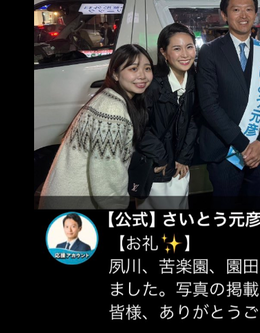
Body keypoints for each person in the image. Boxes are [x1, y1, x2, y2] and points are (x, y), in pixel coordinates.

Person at [196, 0, 260, 205]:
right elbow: (209, 105)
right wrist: (243, 144)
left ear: (256, 14)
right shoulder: (210, 51)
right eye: (236, 9)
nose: (243, 15)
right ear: (224, 15)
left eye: (249, 9)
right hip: (224, 150)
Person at [39, 45, 153, 209]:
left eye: (147, 68)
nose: (142, 75)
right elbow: (107, 179)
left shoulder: (106, 97)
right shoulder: (112, 110)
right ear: (115, 73)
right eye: (133, 68)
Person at [128, 23, 198, 210]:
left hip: (180, 166)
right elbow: (139, 126)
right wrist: (162, 158)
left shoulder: (194, 79)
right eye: (177, 49)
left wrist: (184, 158)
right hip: (156, 165)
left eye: (189, 47)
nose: (185, 54)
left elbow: (194, 121)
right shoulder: (151, 83)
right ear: (164, 53)